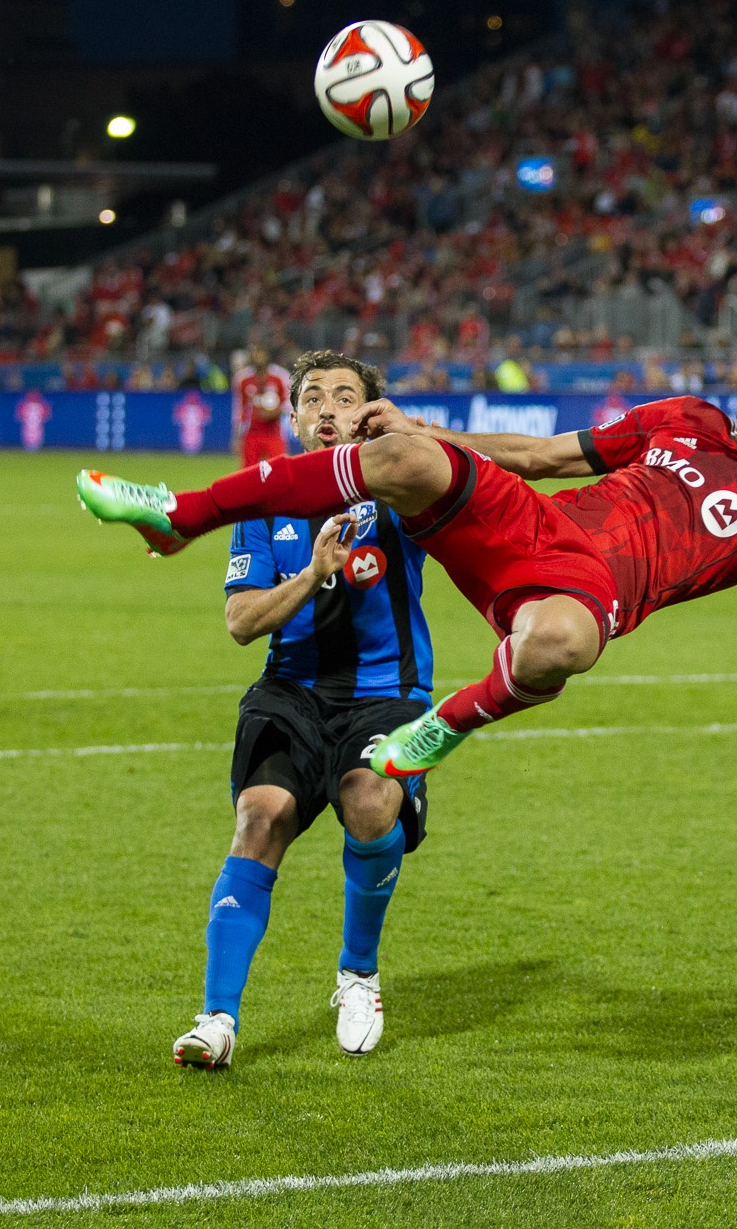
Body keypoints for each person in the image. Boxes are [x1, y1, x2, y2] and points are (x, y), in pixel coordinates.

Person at [77, 344, 737, 787]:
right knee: (411, 458)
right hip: (525, 525)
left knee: (567, 642)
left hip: (586, 589)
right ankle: (176, 518)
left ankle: (447, 722)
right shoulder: (685, 415)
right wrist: (430, 431)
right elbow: (540, 456)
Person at [170, 350, 433, 1069]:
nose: (326, 408)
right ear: (290, 418)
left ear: (369, 414)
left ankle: (357, 974)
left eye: (344, 397)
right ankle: (216, 1018)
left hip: (389, 691)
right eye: (311, 397)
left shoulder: (405, 492)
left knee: (369, 800)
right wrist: (315, 574)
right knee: (259, 817)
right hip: (291, 690)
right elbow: (241, 621)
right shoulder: (266, 504)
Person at [232, 345, 290, 467]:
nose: (258, 357)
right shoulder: (242, 378)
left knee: (279, 469)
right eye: (255, 354)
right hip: (251, 433)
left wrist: (276, 412)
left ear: (267, 355)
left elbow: (290, 403)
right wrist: (236, 436)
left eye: (261, 353)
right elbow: (239, 409)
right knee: (248, 473)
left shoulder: (281, 376)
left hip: (274, 433)